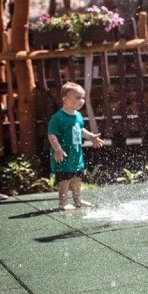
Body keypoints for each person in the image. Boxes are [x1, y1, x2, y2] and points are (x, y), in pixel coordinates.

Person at [47, 82, 104, 211]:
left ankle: (78, 200)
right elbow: (52, 135)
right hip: (64, 154)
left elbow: (80, 130)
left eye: (82, 97)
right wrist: (57, 148)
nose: (81, 101)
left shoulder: (78, 116)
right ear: (65, 100)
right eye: (77, 98)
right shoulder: (58, 117)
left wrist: (91, 137)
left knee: (77, 177)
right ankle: (63, 202)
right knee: (65, 179)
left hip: (76, 154)